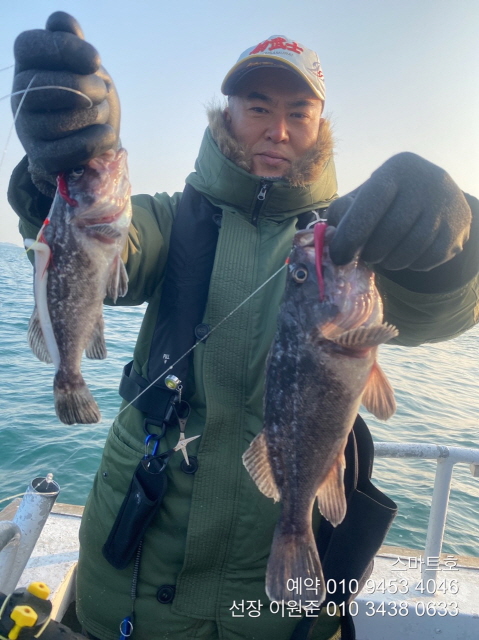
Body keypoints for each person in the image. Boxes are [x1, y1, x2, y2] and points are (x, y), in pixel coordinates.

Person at [8, 11, 479, 640]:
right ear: (226, 114)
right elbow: (101, 252)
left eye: (298, 112)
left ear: (321, 126)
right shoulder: (168, 218)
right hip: (137, 564)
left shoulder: (346, 247)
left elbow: (438, 313)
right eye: (258, 107)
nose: (277, 130)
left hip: (276, 592)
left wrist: (450, 258)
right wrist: (55, 182)